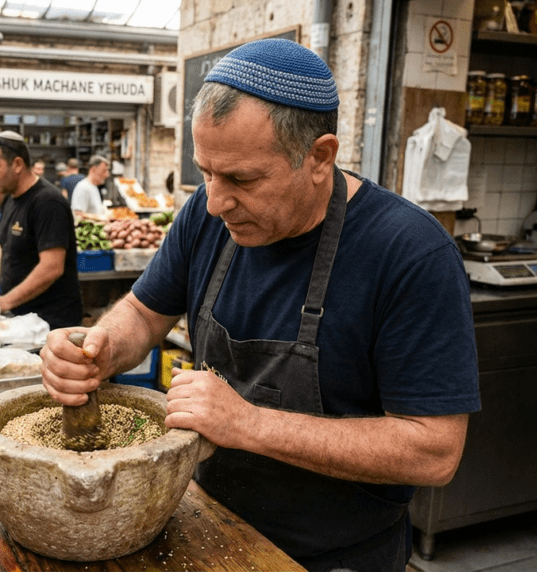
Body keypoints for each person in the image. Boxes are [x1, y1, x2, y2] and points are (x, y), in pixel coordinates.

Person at [39, 39, 480, 571]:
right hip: (205, 521)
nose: (216, 200)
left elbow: (434, 450)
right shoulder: (206, 214)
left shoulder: (409, 254)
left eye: (242, 179)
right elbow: (143, 311)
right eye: (206, 171)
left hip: (333, 555)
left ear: (319, 156)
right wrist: (102, 349)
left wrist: (250, 424)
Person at [0, 131, 82, 330]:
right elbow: (5, 250)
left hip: (51, 324)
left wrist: (5, 301)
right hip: (22, 318)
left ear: (17, 164)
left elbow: (52, 267)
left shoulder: (48, 202)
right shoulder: (10, 198)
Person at [70, 155, 110, 220]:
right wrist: (99, 217)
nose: (107, 175)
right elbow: (77, 214)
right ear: (93, 169)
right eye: (104, 171)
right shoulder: (83, 187)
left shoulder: (93, 186)